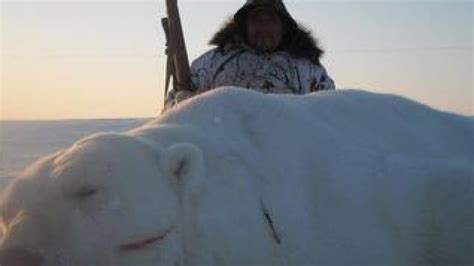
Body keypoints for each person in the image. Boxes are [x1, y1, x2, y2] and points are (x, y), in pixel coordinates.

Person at [165, 0, 335, 109]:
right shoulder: (211, 63)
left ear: (284, 27)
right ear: (244, 26)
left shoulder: (309, 70)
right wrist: (182, 105)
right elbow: (172, 108)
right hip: (226, 158)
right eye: (256, 20)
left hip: (287, 159)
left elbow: (329, 116)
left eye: (270, 20)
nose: (263, 28)